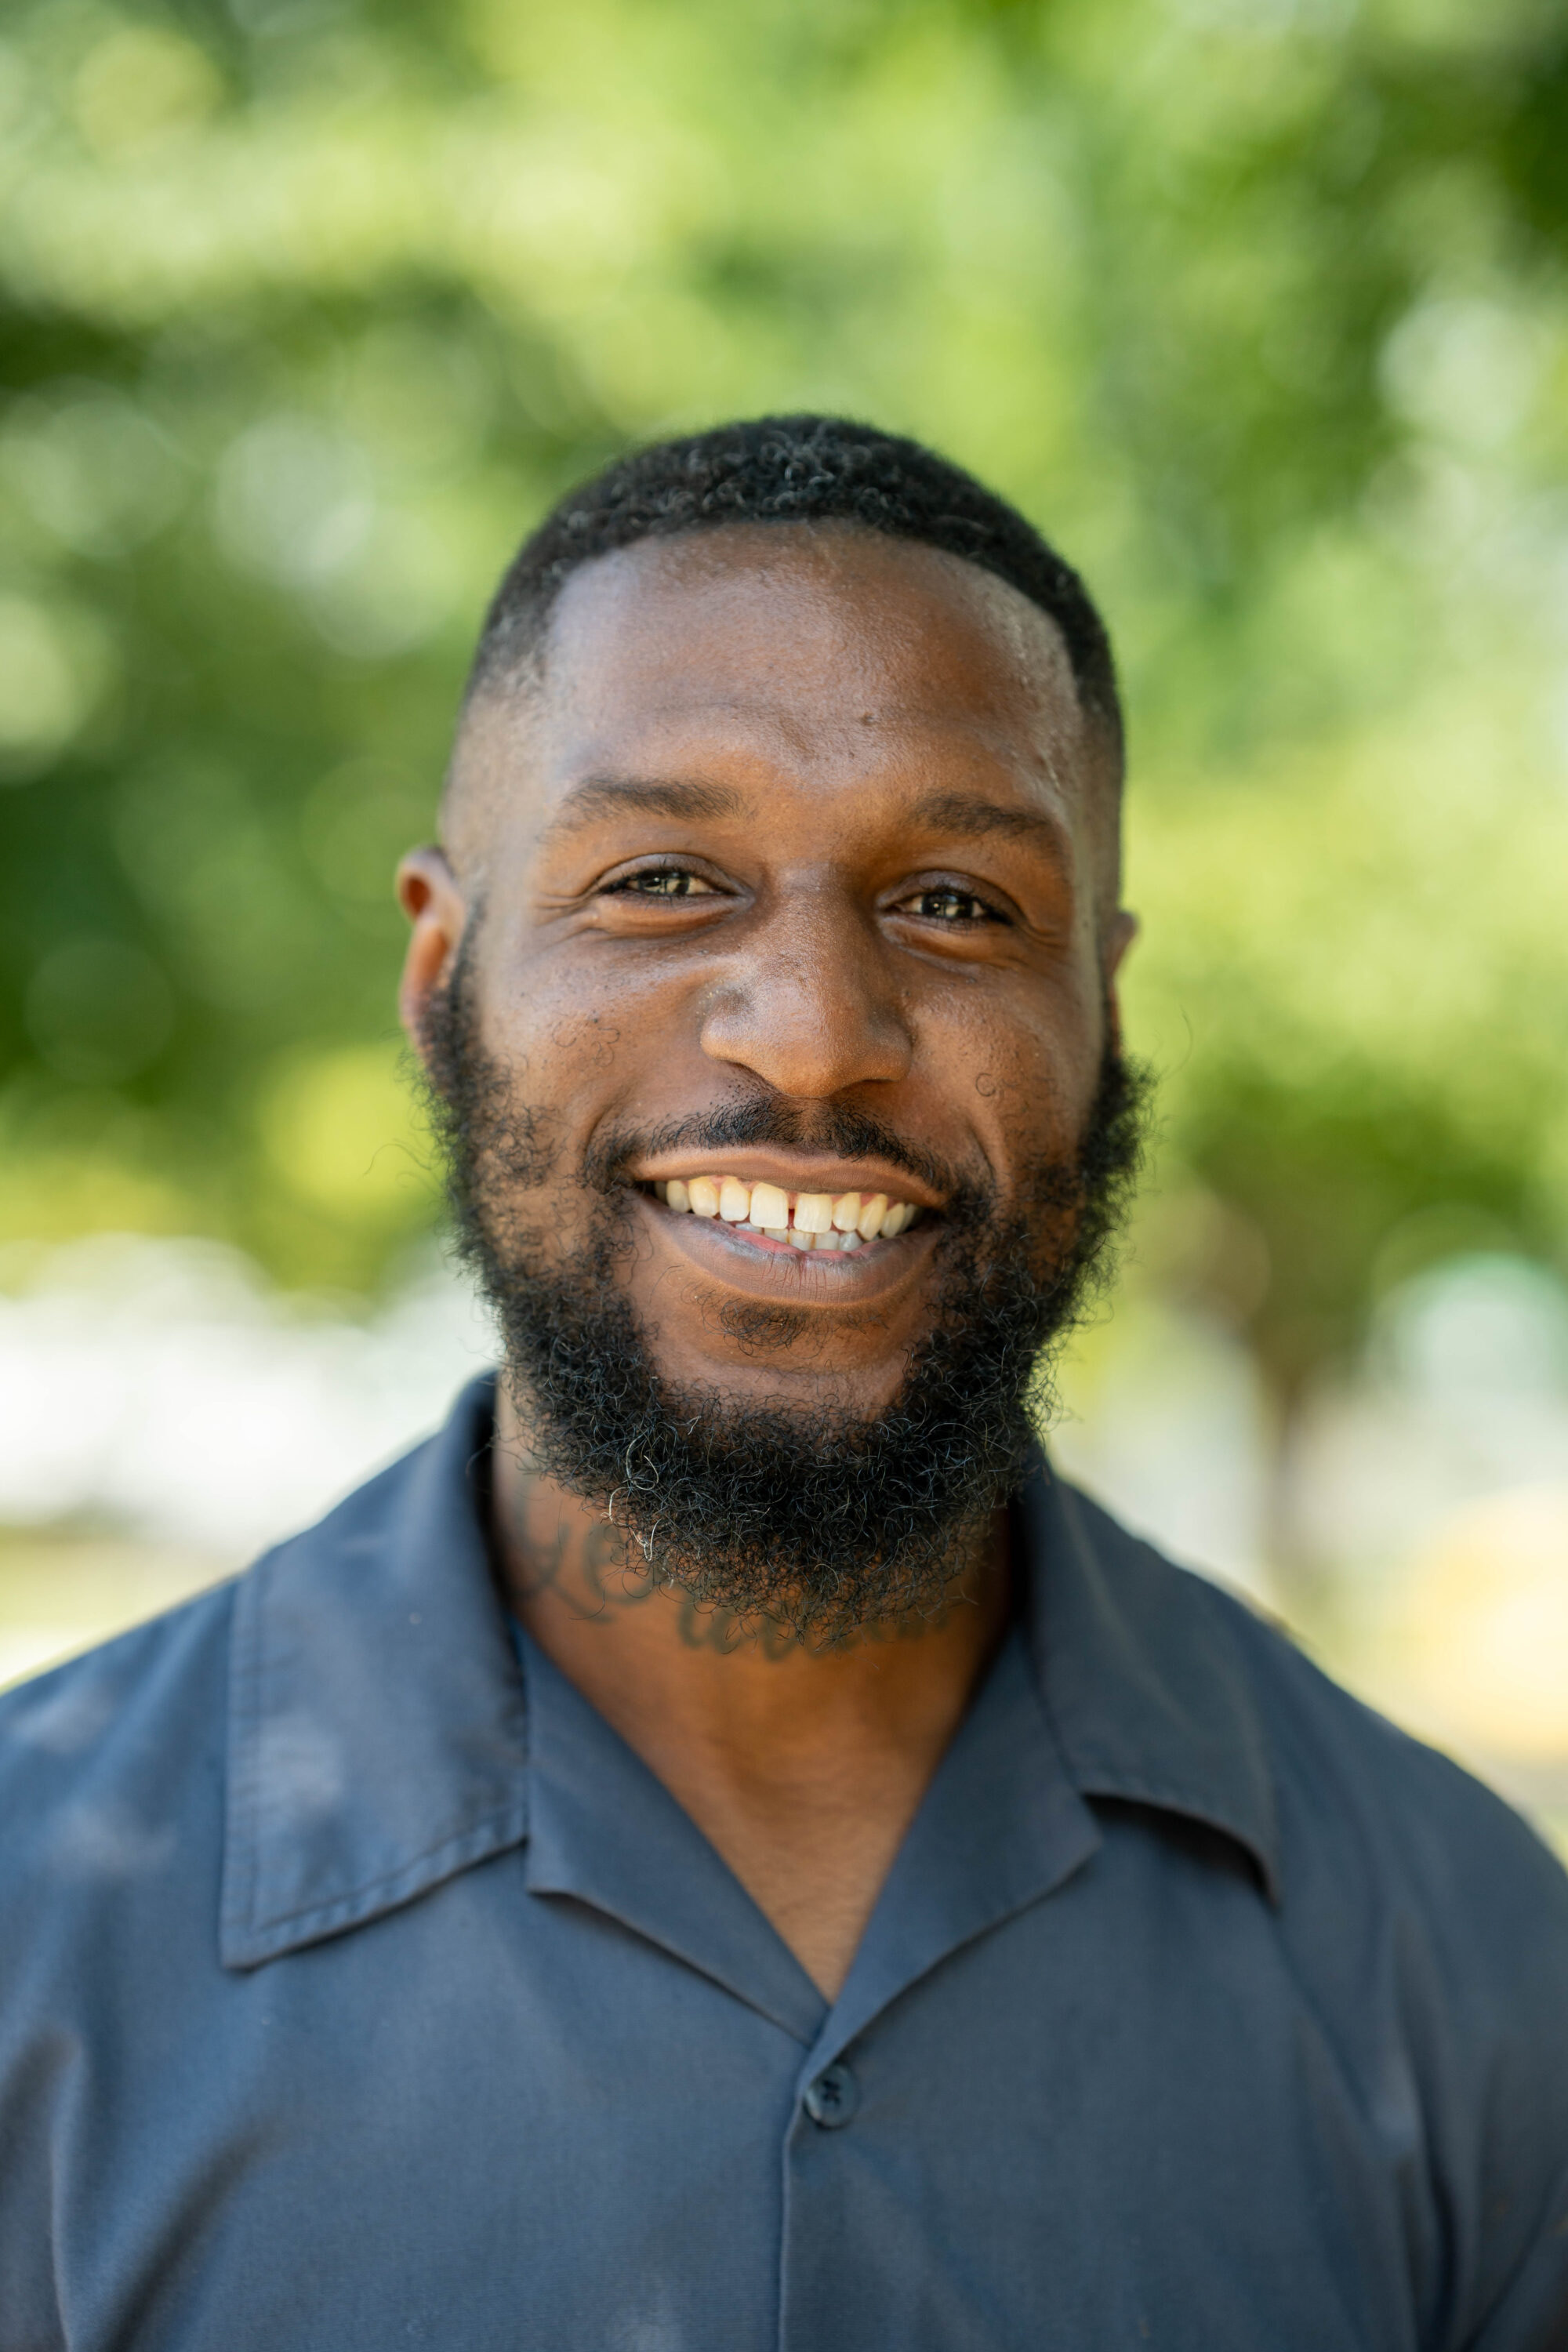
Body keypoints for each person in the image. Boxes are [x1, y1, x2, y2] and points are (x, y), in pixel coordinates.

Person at [1, 416, 1564, 2352]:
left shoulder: (1474, 1965)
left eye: (958, 906)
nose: (816, 1037)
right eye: (662, 877)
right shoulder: (31, 1932)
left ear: (1102, 1014)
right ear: (440, 981)